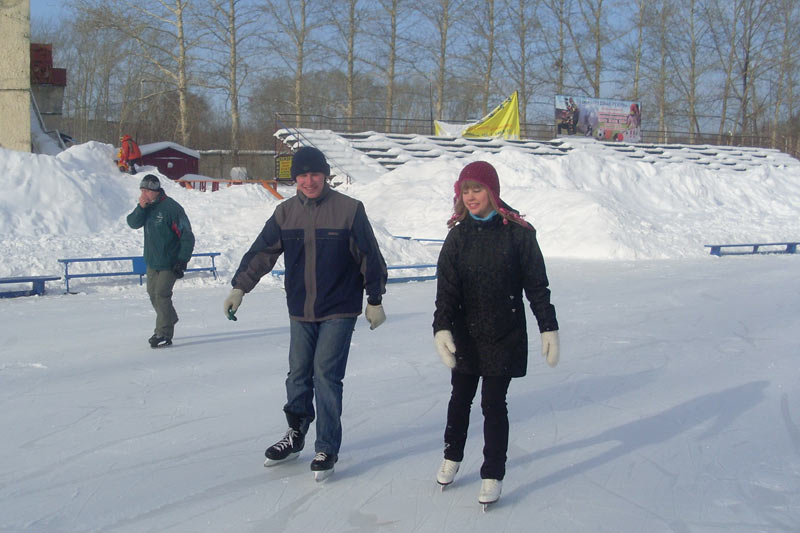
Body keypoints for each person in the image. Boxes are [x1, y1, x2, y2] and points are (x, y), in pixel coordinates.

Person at [223, 146, 388, 480]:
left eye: (315, 174)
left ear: (325, 175)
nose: (309, 181)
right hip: (300, 308)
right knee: (298, 374)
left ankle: (326, 445)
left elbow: (370, 256)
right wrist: (240, 287)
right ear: (294, 177)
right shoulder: (285, 214)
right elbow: (262, 253)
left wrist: (374, 298)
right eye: (302, 175)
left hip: (339, 308)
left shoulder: (349, 210)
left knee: (325, 374)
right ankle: (296, 433)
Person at [432, 161, 560, 506]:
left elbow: (536, 285)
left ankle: (492, 472)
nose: (471, 196)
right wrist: (441, 326)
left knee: (492, 404)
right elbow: (447, 289)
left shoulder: (518, 233)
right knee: (459, 399)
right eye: (465, 190)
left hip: (504, 333)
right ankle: (452, 455)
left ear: (492, 191)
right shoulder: (457, 236)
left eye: (477, 189)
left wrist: (548, 326)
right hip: (466, 333)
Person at [126, 174, 195, 348]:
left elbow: (187, 236)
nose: (143, 194)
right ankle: (169, 318)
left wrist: (182, 260)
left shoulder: (172, 209)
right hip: (152, 261)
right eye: (141, 190)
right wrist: (140, 208)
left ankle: (163, 333)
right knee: (152, 294)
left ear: (155, 190)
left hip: (169, 262)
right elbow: (133, 223)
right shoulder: (147, 207)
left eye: (147, 190)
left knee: (162, 295)